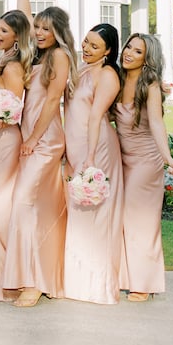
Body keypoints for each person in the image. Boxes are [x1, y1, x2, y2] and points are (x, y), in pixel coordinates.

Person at [3, 0, 77, 306]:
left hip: (46, 141)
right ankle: (32, 275)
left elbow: (51, 101)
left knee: (25, 203)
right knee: (33, 207)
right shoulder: (34, 55)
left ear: (58, 32)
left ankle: (34, 281)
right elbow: (24, 12)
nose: (39, 33)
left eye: (46, 29)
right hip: (29, 138)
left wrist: (33, 139)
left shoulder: (59, 57)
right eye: (38, 29)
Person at [115, 33, 173, 301]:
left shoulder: (149, 83)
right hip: (124, 159)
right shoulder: (117, 78)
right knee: (122, 217)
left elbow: (156, 122)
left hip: (146, 160)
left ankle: (144, 282)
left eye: (137, 51)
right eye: (129, 46)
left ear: (147, 59)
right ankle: (128, 277)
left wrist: (168, 158)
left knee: (140, 220)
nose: (129, 52)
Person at [63, 23, 124, 304]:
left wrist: (89, 157)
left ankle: (96, 285)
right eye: (86, 42)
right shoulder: (82, 69)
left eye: (94, 46)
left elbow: (95, 116)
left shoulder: (108, 75)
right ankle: (76, 282)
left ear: (108, 51)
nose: (86, 49)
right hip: (76, 147)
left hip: (96, 147)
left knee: (97, 214)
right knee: (78, 214)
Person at [0, 9, 33, 302]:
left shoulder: (13, 67)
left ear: (17, 37)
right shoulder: (3, 62)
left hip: (5, 139)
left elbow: (14, 109)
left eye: (3, 31)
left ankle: (2, 276)